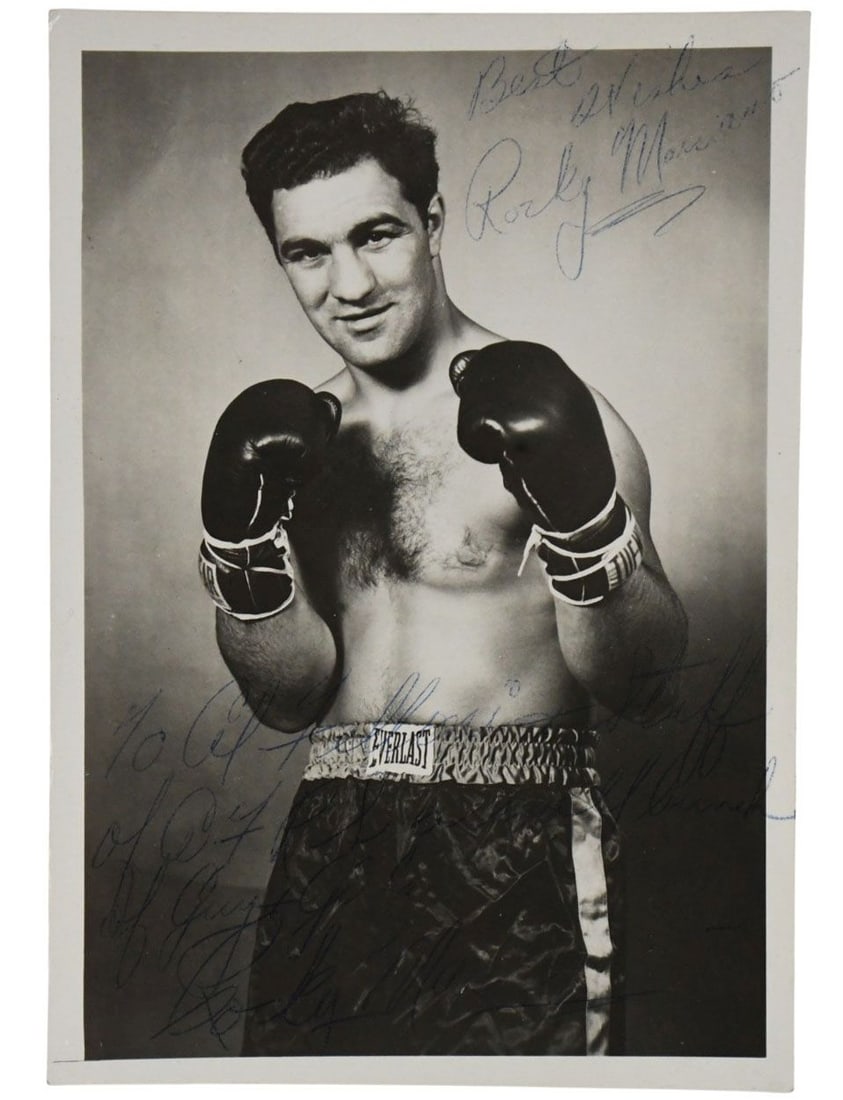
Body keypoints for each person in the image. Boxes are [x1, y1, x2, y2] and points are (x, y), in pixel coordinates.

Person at [197, 91, 688, 1056]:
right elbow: (284, 701)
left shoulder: (561, 410)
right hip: (332, 833)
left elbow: (645, 683)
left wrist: (587, 524)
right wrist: (243, 559)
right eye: (307, 252)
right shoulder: (290, 441)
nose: (349, 283)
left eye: (375, 234)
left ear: (432, 222)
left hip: (520, 840)